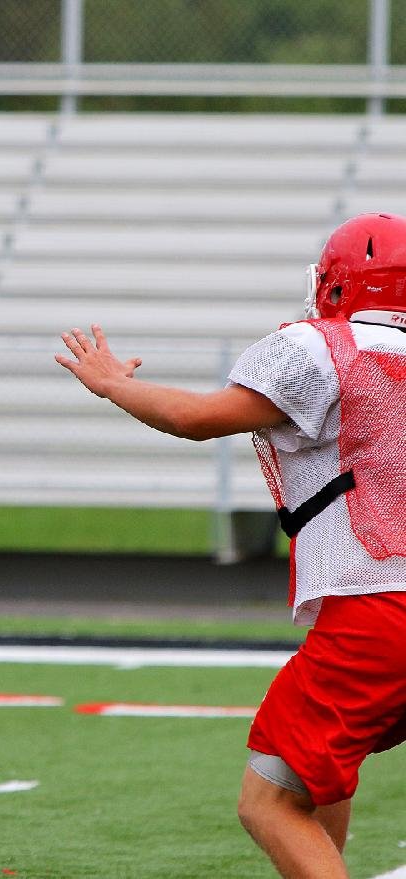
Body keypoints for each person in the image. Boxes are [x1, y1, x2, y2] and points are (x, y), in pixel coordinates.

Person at [55, 212, 406, 879]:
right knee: (319, 774)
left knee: (267, 801)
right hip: (380, 606)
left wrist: (113, 383)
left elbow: (194, 419)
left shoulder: (317, 346)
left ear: (337, 284)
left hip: (377, 610)